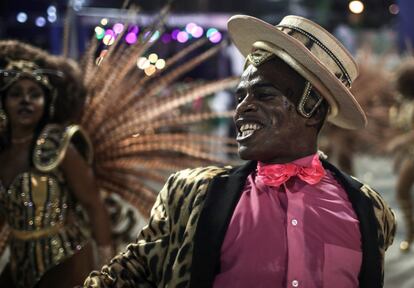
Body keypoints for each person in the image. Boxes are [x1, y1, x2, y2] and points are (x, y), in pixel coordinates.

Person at [83, 15, 396, 288]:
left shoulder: (368, 211)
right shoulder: (194, 196)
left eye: (263, 95)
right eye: (241, 97)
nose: (242, 109)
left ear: (312, 110)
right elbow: (128, 275)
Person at [0, 41, 113, 288]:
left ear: (46, 102)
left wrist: (108, 270)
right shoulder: (2, 151)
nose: (26, 101)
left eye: (35, 94)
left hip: (65, 261)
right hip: (19, 261)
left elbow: (94, 205)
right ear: (4, 102)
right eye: (16, 94)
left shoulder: (59, 147)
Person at [388, 59, 414, 251]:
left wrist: (400, 143)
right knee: (401, 192)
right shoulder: (404, 104)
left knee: (401, 190)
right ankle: (411, 232)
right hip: (411, 156)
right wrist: (399, 157)